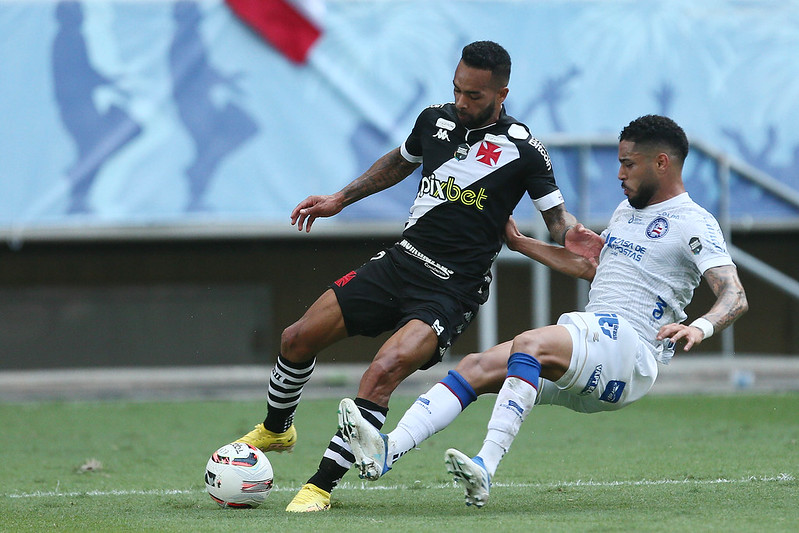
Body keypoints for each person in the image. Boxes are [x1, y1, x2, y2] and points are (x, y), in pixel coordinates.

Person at [234, 40, 602, 512]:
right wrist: (338, 199)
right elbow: (397, 162)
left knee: (383, 370)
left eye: (474, 96)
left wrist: (574, 235)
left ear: (501, 94)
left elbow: (558, 221)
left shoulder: (524, 150)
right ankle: (277, 429)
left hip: (452, 290)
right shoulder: (434, 120)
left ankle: (321, 485)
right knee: (296, 338)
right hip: (400, 263)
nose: (462, 102)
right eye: (457, 90)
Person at [338, 114, 749, 508]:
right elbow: (591, 267)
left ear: (662, 162)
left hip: (632, 350)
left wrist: (700, 327)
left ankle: (486, 464)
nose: (620, 174)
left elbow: (734, 294)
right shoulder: (626, 213)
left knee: (530, 344)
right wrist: (521, 244)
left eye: (628, 164)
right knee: (475, 367)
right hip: (598, 353)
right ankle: (389, 449)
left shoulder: (694, 221)